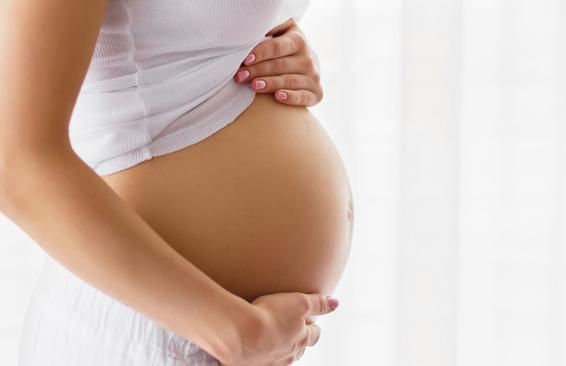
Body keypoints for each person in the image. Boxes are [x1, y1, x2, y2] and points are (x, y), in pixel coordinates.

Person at [0, 0, 354, 364]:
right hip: (155, 326)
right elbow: (17, 164)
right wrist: (236, 332)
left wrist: (282, 49)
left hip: (227, 333)